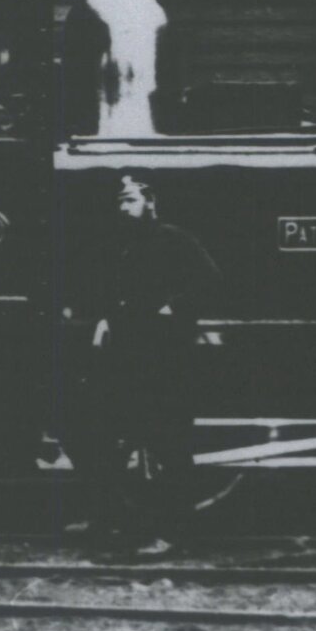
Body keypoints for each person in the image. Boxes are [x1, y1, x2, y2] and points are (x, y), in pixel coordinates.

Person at [78, 173, 225, 554]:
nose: (123, 207)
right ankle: (112, 521)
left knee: (168, 443)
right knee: (113, 435)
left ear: (150, 202)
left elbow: (209, 280)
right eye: (120, 202)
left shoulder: (174, 239)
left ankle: (176, 533)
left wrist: (172, 308)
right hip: (127, 355)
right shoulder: (120, 245)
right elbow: (112, 290)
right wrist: (105, 319)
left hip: (165, 357)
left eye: (129, 200)